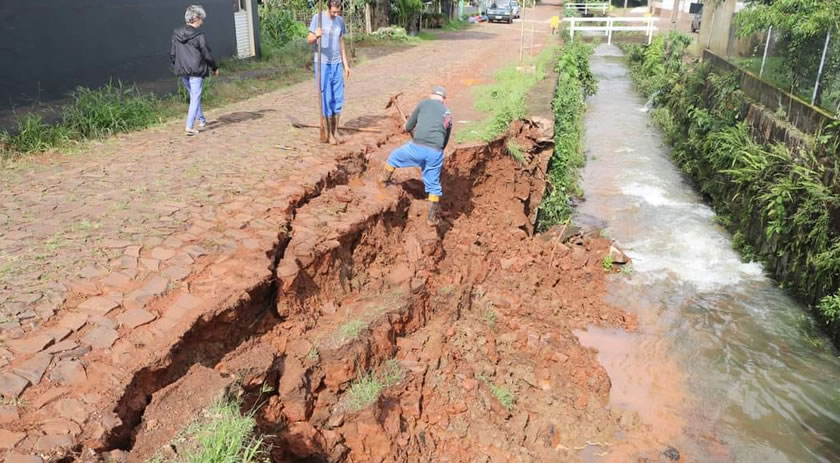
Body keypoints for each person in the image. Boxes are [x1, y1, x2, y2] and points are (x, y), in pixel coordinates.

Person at [380, 86, 453, 226]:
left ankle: (383, 181)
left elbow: (408, 126)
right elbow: (446, 137)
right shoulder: (448, 113)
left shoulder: (424, 103)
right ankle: (432, 218)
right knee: (434, 185)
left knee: (394, 157)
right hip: (436, 151)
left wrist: (405, 127)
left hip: (417, 147)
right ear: (444, 99)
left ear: (431, 95)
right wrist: (437, 151)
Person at [170, 5, 219, 137]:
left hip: (182, 70)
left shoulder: (176, 33)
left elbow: (173, 54)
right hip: (196, 71)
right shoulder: (199, 35)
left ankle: (202, 120)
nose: (202, 21)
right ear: (196, 18)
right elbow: (207, 54)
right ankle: (189, 126)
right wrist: (214, 67)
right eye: (201, 18)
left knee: (193, 95)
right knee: (195, 97)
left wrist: (177, 65)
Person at [308, 0, 352, 145]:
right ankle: (328, 133)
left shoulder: (340, 21)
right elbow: (309, 39)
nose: (335, 14)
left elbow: (341, 42)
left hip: (337, 63)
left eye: (338, 12)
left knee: (338, 97)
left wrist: (345, 64)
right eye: (333, 12)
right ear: (328, 8)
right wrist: (316, 36)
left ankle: (335, 131)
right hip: (322, 63)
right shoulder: (318, 18)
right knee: (326, 97)